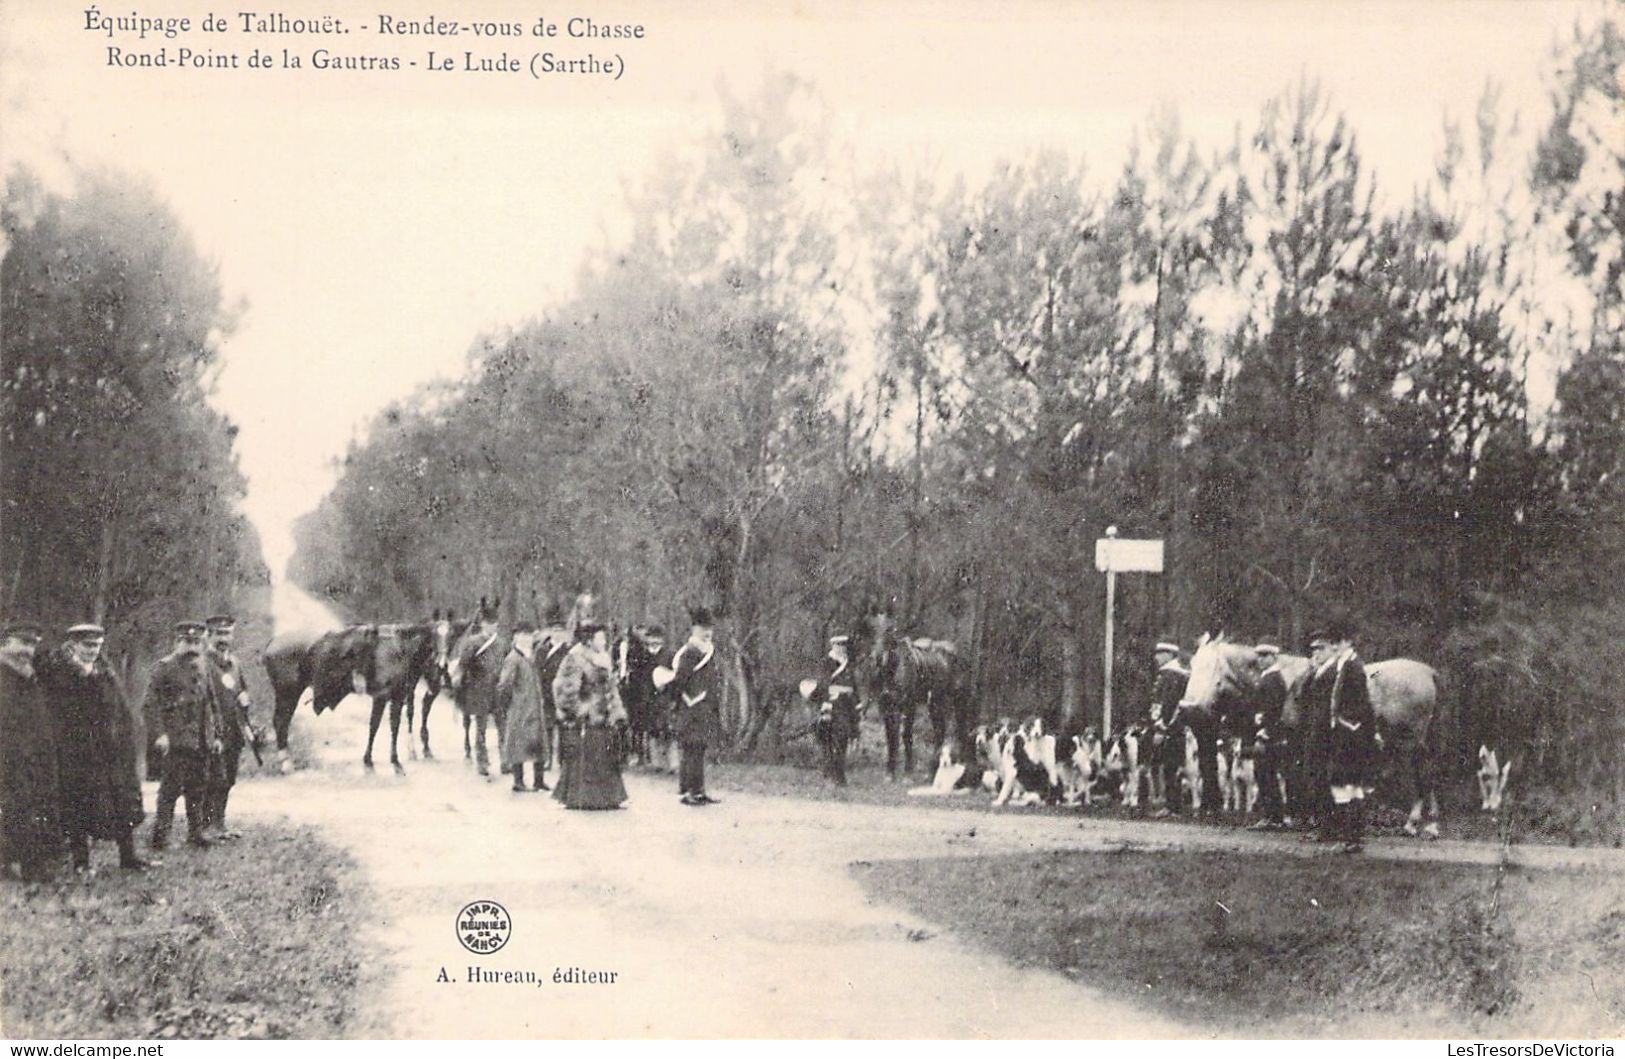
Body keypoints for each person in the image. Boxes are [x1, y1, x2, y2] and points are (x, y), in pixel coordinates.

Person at [37, 624, 150, 874]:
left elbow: (121, 708)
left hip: (111, 751)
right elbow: (56, 716)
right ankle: (81, 861)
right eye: (87, 646)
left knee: (121, 801)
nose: (92, 651)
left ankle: (128, 856)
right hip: (78, 753)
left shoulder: (105, 672)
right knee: (78, 802)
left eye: (97, 646)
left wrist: (123, 738)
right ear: (73, 645)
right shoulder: (60, 675)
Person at [144, 620, 224, 851]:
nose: (192, 646)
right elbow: (150, 704)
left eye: (197, 642)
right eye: (187, 641)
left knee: (197, 788)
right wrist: (159, 734)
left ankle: (195, 833)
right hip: (176, 740)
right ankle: (161, 836)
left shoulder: (204, 666)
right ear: (177, 641)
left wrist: (217, 734)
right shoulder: (163, 667)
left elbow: (212, 702)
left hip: (201, 739)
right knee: (170, 790)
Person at [1306, 620, 1377, 853]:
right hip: (1345, 734)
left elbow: (1360, 706)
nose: (1333, 647)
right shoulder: (1345, 665)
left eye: (1336, 643)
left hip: (1349, 736)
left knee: (1348, 786)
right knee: (1345, 786)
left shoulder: (1353, 667)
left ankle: (1351, 838)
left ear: (1346, 641)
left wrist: (1346, 726)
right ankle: (1349, 837)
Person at [0, 620, 62, 882]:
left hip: (33, 755)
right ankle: (25, 867)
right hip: (8, 755)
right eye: (23, 643)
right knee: (16, 809)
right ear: (5, 642)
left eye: (33, 645)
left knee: (32, 807)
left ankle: (26, 864)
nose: (29, 650)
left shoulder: (29, 674)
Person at [551, 621, 628, 810]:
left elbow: (611, 687)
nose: (603, 641)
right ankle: (584, 797)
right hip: (588, 716)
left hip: (605, 714)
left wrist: (617, 711)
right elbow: (567, 688)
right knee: (587, 756)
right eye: (599, 638)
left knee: (606, 754)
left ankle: (609, 797)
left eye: (604, 638)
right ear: (589, 640)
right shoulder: (576, 658)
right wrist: (579, 709)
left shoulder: (604, 657)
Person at [203, 614, 257, 840]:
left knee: (228, 778)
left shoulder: (234, 662)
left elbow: (241, 691)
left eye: (227, 633)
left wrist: (247, 721)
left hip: (234, 728)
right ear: (209, 636)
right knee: (213, 778)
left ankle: (220, 824)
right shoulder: (203, 662)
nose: (223, 638)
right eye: (219, 634)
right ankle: (205, 826)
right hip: (213, 728)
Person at [665, 607, 722, 807]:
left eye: (710, 628)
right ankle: (689, 791)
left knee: (699, 748)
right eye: (703, 628)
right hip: (691, 707)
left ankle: (698, 790)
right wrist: (677, 701)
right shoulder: (690, 652)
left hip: (704, 706)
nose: (707, 632)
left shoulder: (707, 650)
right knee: (692, 748)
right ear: (694, 629)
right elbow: (680, 680)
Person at [453, 604, 505, 777]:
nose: (492, 626)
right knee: (481, 728)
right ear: (483, 624)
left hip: (497, 689)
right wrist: (458, 677)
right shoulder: (473, 642)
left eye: (495, 623)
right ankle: (482, 762)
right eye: (489, 623)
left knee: (502, 726)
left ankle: (505, 760)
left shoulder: (501, 643)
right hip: (479, 688)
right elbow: (463, 664)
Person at [499, 622, 550, 793]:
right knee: (518, 743)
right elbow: (504, 685)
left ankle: (539, 780)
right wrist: (510, 704)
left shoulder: (533, 656)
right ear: (516, 637)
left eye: (529, 635)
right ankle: (518, 780)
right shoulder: (513, 658)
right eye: (523, 635)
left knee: (538, 742)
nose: (527, 639)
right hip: (520, 708)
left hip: (535, 706)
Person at [1246, 641, 1290, 831]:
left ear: (1274, 657)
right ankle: (1272, 815)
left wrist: (1266, 731)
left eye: (1265, 656)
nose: (1261, 660)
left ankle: (1273, 816)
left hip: (1269, 734)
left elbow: (1274, 709)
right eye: (1259, 656)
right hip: (1265, 731)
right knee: (1264, 774)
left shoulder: (1273, 678)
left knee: (1266, 773)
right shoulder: (1267, 677)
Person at [808, 634, 859, 785]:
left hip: (847, 704)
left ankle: (838, 773)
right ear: (833, 646)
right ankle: (834, 773)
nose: (842, 648)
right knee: (834, 739)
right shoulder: (827, 662)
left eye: (844, 645)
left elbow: (853, 684)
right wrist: (826, 705)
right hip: (833, 704)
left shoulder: (848, 663)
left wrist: (858, 703)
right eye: (839, 645)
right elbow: (823, 684)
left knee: (844, 739)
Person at [1149, 641, 1189, 817]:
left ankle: (1173, 807)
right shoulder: (1169, 674)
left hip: (1171, 728)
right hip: (1170, 727)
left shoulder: (1172, 675)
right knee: (1169, 766)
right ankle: (1171, 805)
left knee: (1171, 766)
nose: (1156, 657)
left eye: (1160, 653)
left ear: (1170, 654)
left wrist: (1162, 728)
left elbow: (1170, 704)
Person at [533, 604, 571, 776]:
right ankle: (546, 759)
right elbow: (537, 672)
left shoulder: (568, 652)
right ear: (550, 632)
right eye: (555, 630)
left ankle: (563, 760)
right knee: (547, 728)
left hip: (563, 695)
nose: (557, 633)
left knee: (563, 729)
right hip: (546, 693)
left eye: (560, 630)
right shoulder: (541, 650)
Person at [621, 624, 667, 766]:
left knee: (660, 726)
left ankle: (660, 759)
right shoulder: (636, 651)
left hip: (656, 693)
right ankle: (648, 757)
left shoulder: (660, 653)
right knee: (642, 724)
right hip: (640, 692)